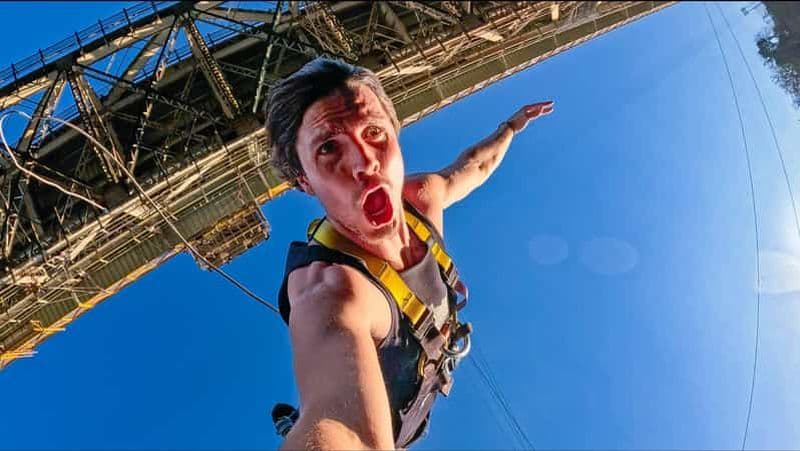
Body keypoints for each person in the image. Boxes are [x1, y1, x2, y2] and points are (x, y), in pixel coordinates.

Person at [266, 57, 553, 450]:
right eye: (330, 147)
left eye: (374, 132)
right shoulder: (330, 290)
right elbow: (343, 429)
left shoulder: (422, 199)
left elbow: (474, 165)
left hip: (415, 403)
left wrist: (510, 128)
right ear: (305, 182)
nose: (365, 162)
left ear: (397, 136)